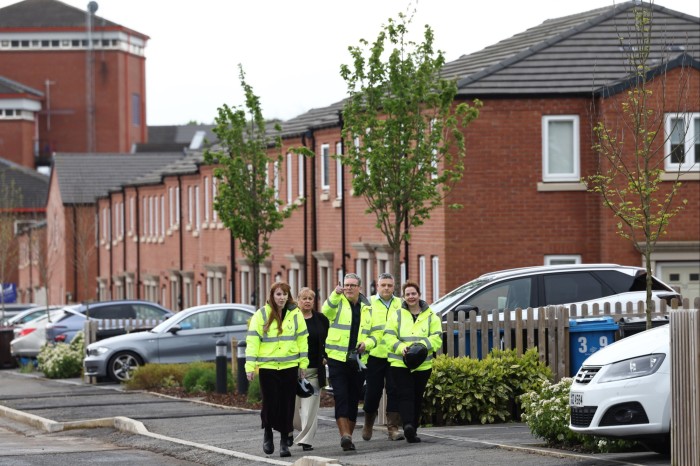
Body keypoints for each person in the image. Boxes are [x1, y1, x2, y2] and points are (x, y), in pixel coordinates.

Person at [245, 282, 309, 458]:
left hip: (289, 366)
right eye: (278, 294)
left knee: (287, 404)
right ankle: (268, 432)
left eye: (285, 294)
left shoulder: (296, 314)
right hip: (268, 367)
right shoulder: (262, 314)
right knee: (270, 402)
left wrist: (303, 364)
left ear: (289, 296)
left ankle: (284, 442)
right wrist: (250, 367)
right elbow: (252, 342)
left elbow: (302, 340)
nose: (281, 298)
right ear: (272, 296)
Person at [322, 273, 378, 451]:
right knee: (341, 396)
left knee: (354, 398)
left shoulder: (368, 308)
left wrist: (366, 344)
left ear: (359, 288)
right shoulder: (336, 302)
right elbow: (325, 312)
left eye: (352, 285)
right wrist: (334, 294)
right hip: (337, 358)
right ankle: (344, 435)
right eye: (346, 285)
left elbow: (376, 335)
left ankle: (349, 438)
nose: (349, 288)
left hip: (359, 360)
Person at [383, 280, 442, 443]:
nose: (411, 297)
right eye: (407, 294)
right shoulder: (397, 315)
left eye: (413, 294)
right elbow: (388, 336)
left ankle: (412, 430)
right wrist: (401, 347)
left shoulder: (431, 316)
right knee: (405, 394)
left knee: (417, 396)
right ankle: (408, 425)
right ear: (403, 296)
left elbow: (437, 338)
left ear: (419, 295)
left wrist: (422, 346)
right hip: (400, 363)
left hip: (423, 364)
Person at [362, 272, 404, 441]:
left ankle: (393, 428)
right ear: (377, 286)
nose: (386, 288)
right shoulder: (369, 303)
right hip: (375, 354)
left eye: (389, 285)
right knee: (373, 392)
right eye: (383, 285)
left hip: (394, 354)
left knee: (394, 391)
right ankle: (368, 424)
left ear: (394, 287)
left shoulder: (401, 304)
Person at [291, 287, 329, 452]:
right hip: (293, 369)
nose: (307, 301)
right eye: (304, 298)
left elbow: (327, 340)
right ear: (298, 300)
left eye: (310, 299)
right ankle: (291, 432)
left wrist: (326, 355)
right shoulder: (290, 319)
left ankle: (306, 440)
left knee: (311, 408)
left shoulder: (321, 319)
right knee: (292, 409)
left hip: (314, 370)